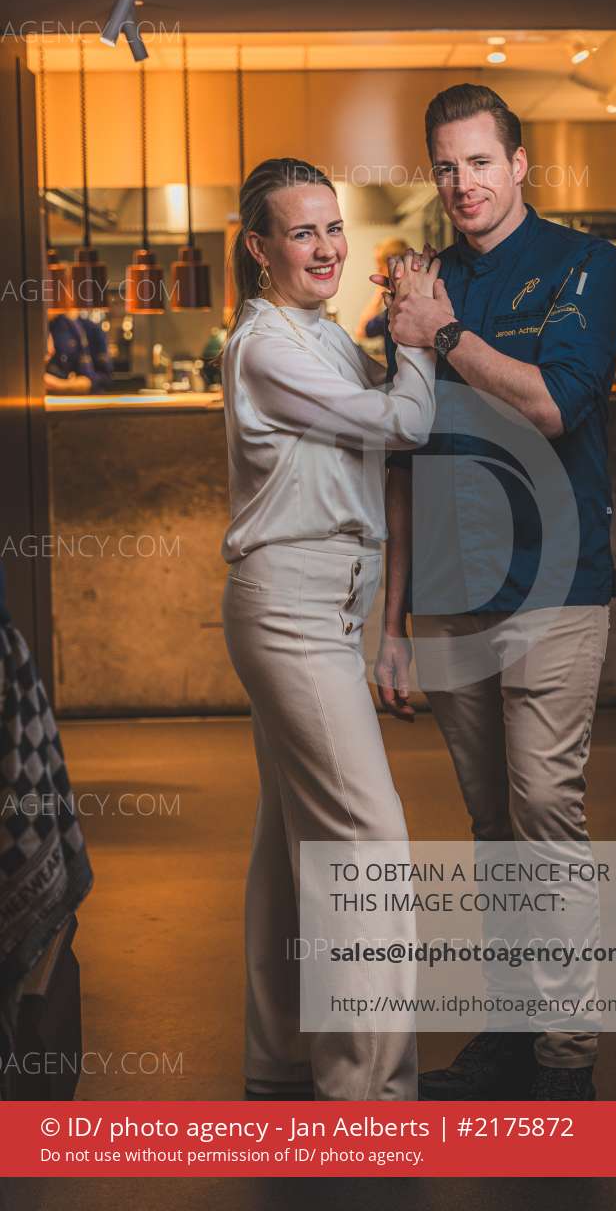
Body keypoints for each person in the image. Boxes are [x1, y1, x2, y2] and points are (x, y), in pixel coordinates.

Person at [374, 84, 616, 1102]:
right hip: (449, 589)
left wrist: (441, 336)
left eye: (480, 161)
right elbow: (399, 458)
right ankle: (511, 1029)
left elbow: (556, 404)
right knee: (489, 825)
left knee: (543, 811)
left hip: (555, 583)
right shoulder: (420, 281)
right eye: (445, 166)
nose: (462, 183)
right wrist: (391, 618)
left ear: (519, 164)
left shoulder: (585, 265)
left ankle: (566, 1057)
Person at [219, 157, 438, 1102]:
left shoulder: (323, 338)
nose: (325, 248)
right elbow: (405, 425)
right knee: (367, 845)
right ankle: (368, 1096)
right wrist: (418, 334)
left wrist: (389, 625)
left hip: (332, 601)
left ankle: (278, 1062)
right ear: (259, 248)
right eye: (301, 232)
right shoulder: (265, 347)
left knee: (292, 844)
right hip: (290, 607)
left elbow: (381, 458)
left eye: (333, 227)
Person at [355, 237, 410, 343]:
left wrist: (380, 288)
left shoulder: (398, 308)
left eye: (380, 265)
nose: (378, 270)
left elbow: (362, 331)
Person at [44, 312, 113, 395]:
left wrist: (62, 385)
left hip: (81, 397)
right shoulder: (48, 326)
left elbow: (103, 379)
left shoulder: (88, 328)